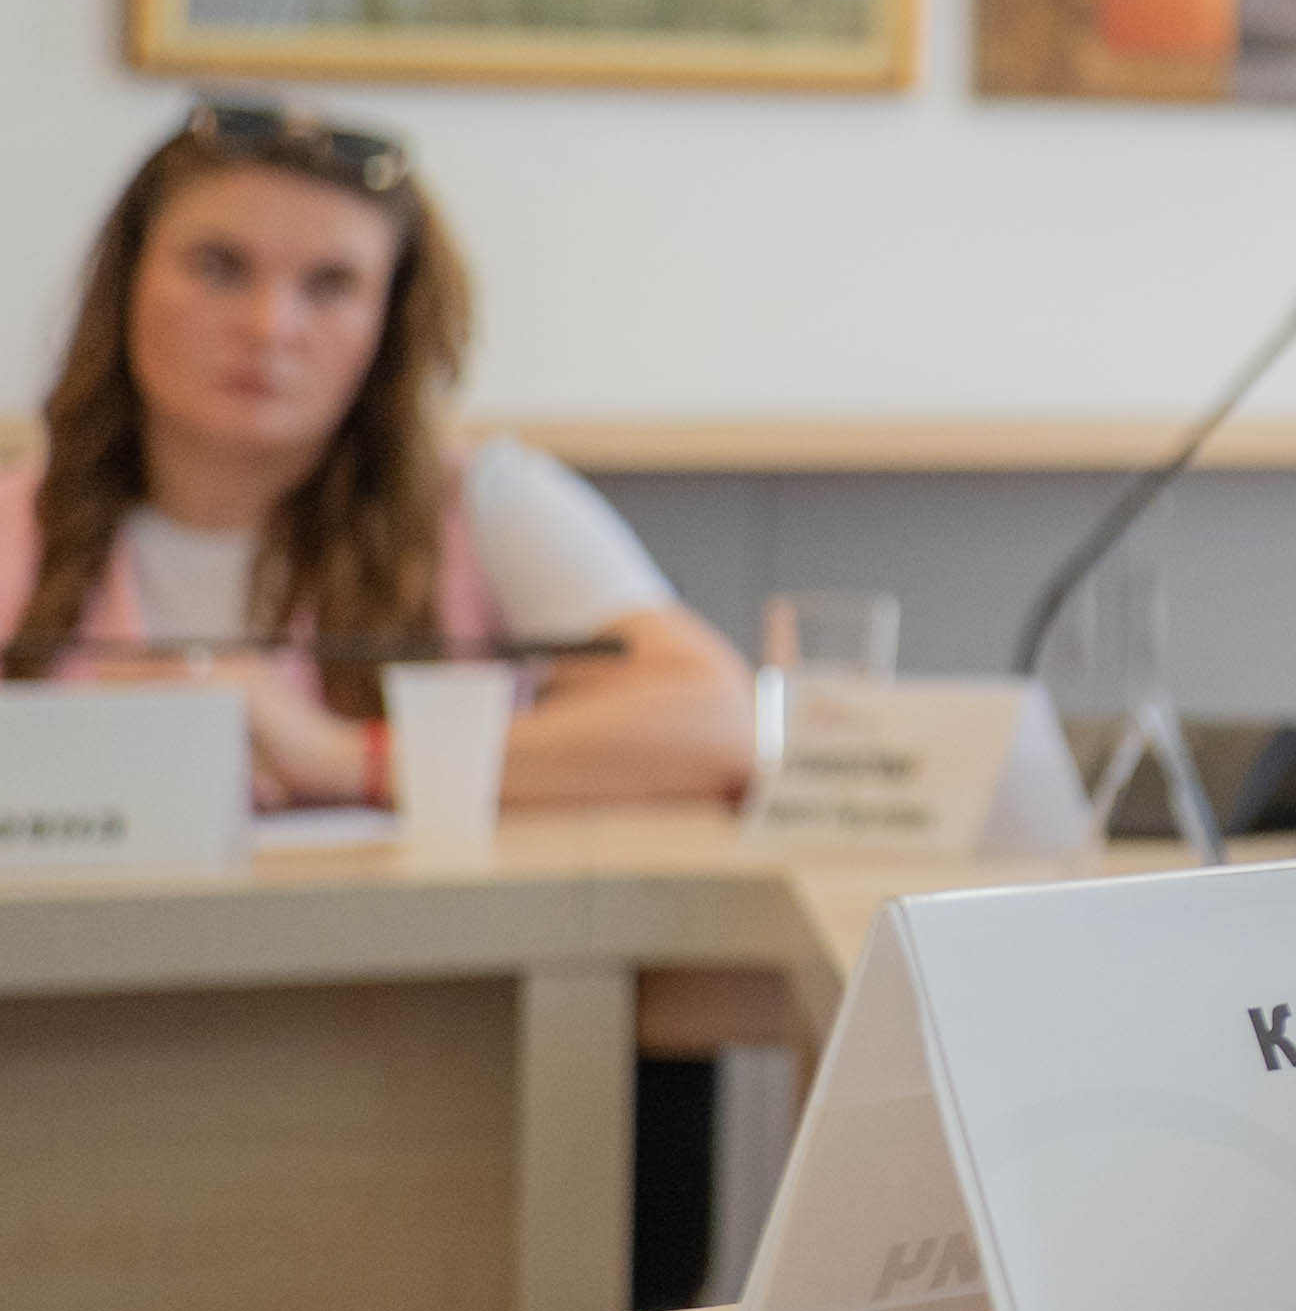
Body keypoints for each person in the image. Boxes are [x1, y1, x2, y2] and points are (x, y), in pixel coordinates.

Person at [6, 104, 750, 805]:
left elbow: (716, 720)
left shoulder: (481, 501)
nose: (268, 326)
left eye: (330, 285)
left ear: (390, 325)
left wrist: (349, 758)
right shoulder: (15, 522)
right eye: (219, 267)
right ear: (126, 283)